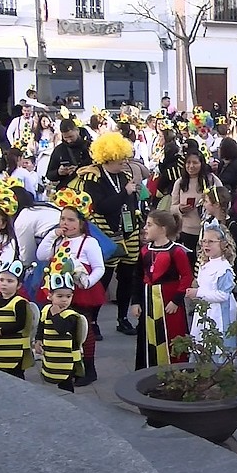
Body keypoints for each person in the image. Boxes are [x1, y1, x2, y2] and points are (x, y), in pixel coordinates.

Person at [76, 133, 143, 336]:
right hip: (105, 233)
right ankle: (92, 320)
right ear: (109, 156)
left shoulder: (124, 176)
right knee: (102, 277)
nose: (124, 161)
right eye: (120, 157)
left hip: (129, 231)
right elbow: (102, 207)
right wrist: (125, 193)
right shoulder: (93, 177)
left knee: (127, 277)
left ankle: (122, 318)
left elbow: (131, 204)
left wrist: (137, 224)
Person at [37, 194, 107, 386]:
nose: (66, 223)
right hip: (59, 289)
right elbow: (42, 254)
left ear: (82, 223)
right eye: (62, 218)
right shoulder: (58, 240)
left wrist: (88, 282)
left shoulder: (89, 242)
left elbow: (100, 267)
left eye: (71, 220)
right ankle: (66, 364)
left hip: (81, 291)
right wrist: (53, 235)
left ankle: (89, 368)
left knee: (84, 328)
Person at [132, 210, 194, 370]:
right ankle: (147, 370)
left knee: (172, 335)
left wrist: (176, 300)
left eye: (150, 225)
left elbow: (187, 276)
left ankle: (176, 372)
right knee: (148, 336)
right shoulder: (145, 250)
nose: (145, 228)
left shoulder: (177, 251)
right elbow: (138, 276)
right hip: (148, 301)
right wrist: (136, 301)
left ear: (163, 229)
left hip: (168, 302)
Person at [35, 272, 87, 392]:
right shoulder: (46, 310)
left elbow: (61, 330)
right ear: (50, 296)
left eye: (68, 297)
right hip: (52, 354)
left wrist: (56, 315)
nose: (64, 300)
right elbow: (41, 326)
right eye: (60, 296)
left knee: (66, 385)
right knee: (51, 377)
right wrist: (38, 340)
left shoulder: (72, 315)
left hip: (67, 358)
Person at [188, 222, 237, 338]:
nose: (206, 244)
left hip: (218, 313)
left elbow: (223, 295)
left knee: (216, 343)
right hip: (204, 309)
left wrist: (199, 293)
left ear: (223, 244)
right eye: (204, 241)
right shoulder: (205, 264)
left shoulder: (224, 268)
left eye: (211, 241)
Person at [0, 261, 31, 379]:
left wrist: (0, 331)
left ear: (18, 285)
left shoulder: (19, 302)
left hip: (14, 348)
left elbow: (20, 324)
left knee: (16, 377)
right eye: (1, 280)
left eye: (10, 281)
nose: (4, 284)